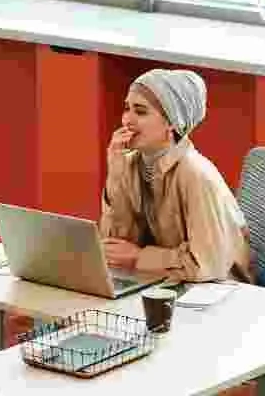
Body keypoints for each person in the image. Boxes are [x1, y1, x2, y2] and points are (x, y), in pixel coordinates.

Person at [99, 68, 252, 283]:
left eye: (140, 112)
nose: (127, 120)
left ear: (172, 122)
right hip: (170, 283)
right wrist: (116, 175)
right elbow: (116, 247)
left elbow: (206, 265)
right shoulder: (132, 164)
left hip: (220, 292)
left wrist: (140, 258)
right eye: (127, 109)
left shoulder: (197, 175)